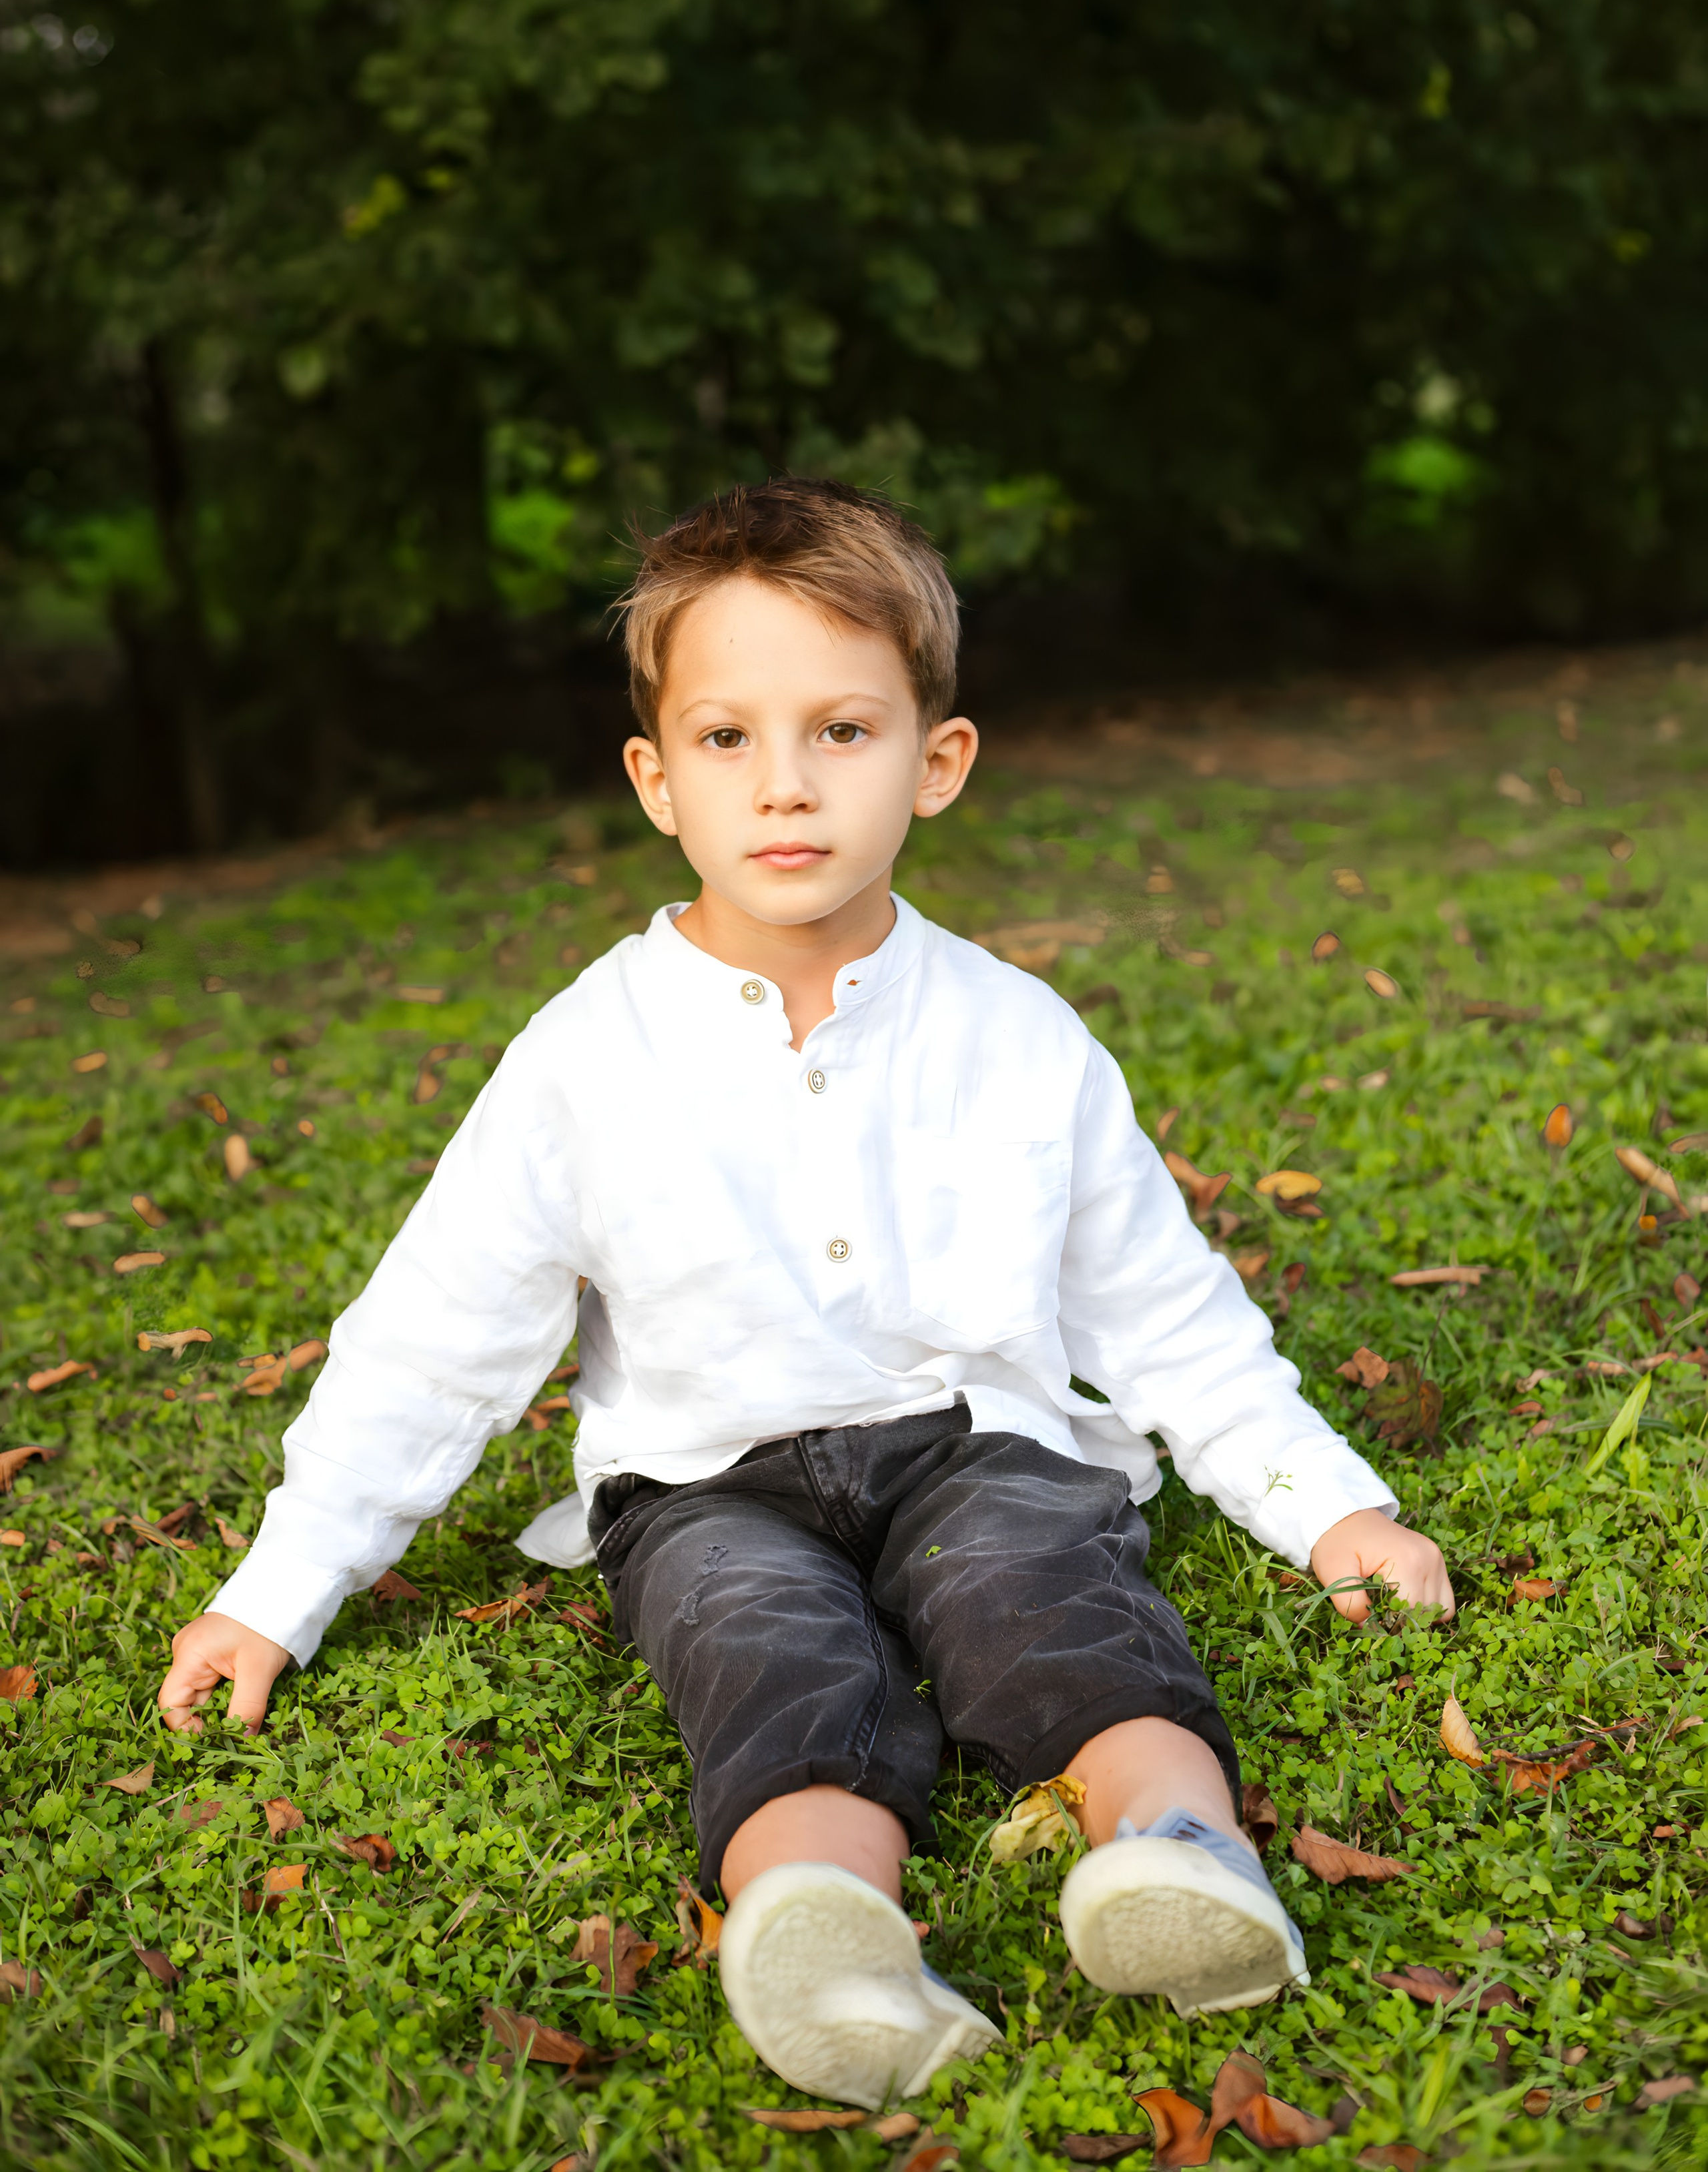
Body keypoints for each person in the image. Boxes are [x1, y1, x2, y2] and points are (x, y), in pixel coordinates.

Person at [158, 476, 1454, 2109]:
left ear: (937, 761)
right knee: (759, 1653)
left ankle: (1173, 1848)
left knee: (1048, 1597)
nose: (784, 785)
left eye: (841, 731)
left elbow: (1160, 1313)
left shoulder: (1017, 1036)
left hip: (972, 1438)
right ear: (653, 779)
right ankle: (820, 1922)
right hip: (703, 1481)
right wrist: (277, 1590)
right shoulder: (580, 1061)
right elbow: (431, 1348)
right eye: (725, 740)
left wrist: (1326, 1506)